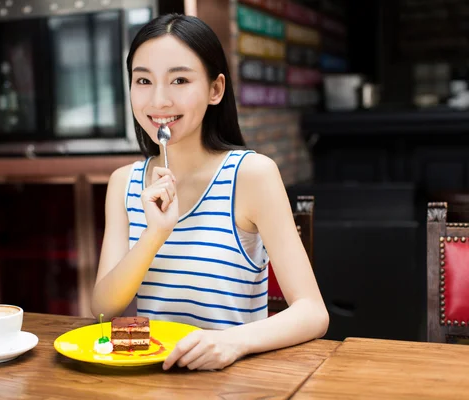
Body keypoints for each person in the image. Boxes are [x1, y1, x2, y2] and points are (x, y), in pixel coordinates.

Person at [91, 13, 328, 371]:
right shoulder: (123, 183)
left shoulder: (251, 175)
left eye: (180, 80)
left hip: (235, 380)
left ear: (215, 89)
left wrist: (232, 342)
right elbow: (104, 310)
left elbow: (312, 312)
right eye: (143, 80)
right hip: (153, 381)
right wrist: (155, 234)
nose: (159, 100)